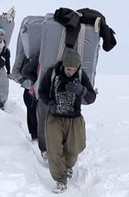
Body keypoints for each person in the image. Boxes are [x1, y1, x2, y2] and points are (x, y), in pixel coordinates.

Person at [38, 50, 96, 193]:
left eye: (74, 69)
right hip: (55, 117)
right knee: (54, 150)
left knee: (73, 149)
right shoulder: (52, 73)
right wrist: (51, 105)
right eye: (68, 69)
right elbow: (42, 92)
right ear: (63, 65)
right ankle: (60, 180)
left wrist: (81, 90)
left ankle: (68, 166)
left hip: (74, 118)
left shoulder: (82, 76)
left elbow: (91, 98)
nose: (71, 72)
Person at [10, 48, 38, 140]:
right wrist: (25, 82)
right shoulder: (26, 51)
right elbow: (15, 71)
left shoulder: (47, 50)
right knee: (32, 112)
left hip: (44, 88)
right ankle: (35, 136)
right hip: (30, 89)